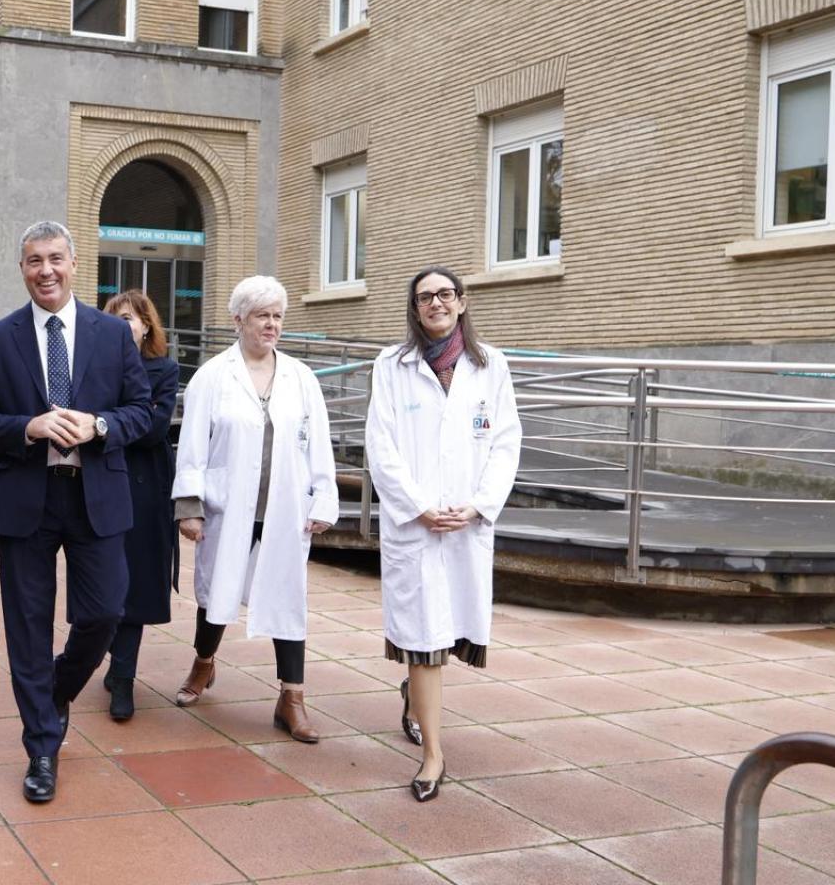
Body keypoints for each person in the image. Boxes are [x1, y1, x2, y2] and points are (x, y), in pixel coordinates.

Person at [0, 221, 152, 803]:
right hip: (27, 499)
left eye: (55, 259)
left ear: (74, 264)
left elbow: (143, 410)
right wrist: (28, 427)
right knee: (27, 625)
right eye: (33, 261)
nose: (45, 270)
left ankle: (56, 690)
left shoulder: (111, 335)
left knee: (104, 612)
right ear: (22, 269)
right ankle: (42, 748)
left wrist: (99, 425)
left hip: (96, 497)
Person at [365, 265, 519, 802]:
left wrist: (477, 507)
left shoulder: (490, 364)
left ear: (462, 302)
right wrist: (420, 507)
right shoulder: (392, 365)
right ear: (414, 308)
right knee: (424, 638)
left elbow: (505, 442)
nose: (436, 303)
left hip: (465, 523)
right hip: (417, 524)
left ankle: (413, 698)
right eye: (425, 297)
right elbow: (380, 447)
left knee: (447, 632)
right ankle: (433, 754)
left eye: (445, 294)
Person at [170, 275, 338, 743]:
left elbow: (318, 444)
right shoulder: (213, 376)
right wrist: (190, 505)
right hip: (227, 507)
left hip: (285, 508)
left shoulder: (301, 378)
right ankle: (204, 665)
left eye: (278, 316)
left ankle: (292, 698)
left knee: (289, 598)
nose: (272, 324)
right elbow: (192, 446)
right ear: (238, 319)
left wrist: (323, 498)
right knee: (216, 595)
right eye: (262, 315)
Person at [98, 289, 179, 722]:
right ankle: (107, 658)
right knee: (102, 580)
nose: (122, 325)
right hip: (100, 480)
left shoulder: (163, 369)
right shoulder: (94, 366)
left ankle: (123, 674)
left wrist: (106, 422)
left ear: (147, 325)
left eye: (129, 317)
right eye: (113, 317)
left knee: (137, 581)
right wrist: (126, 416)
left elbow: (152, 428)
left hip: (146, 486)